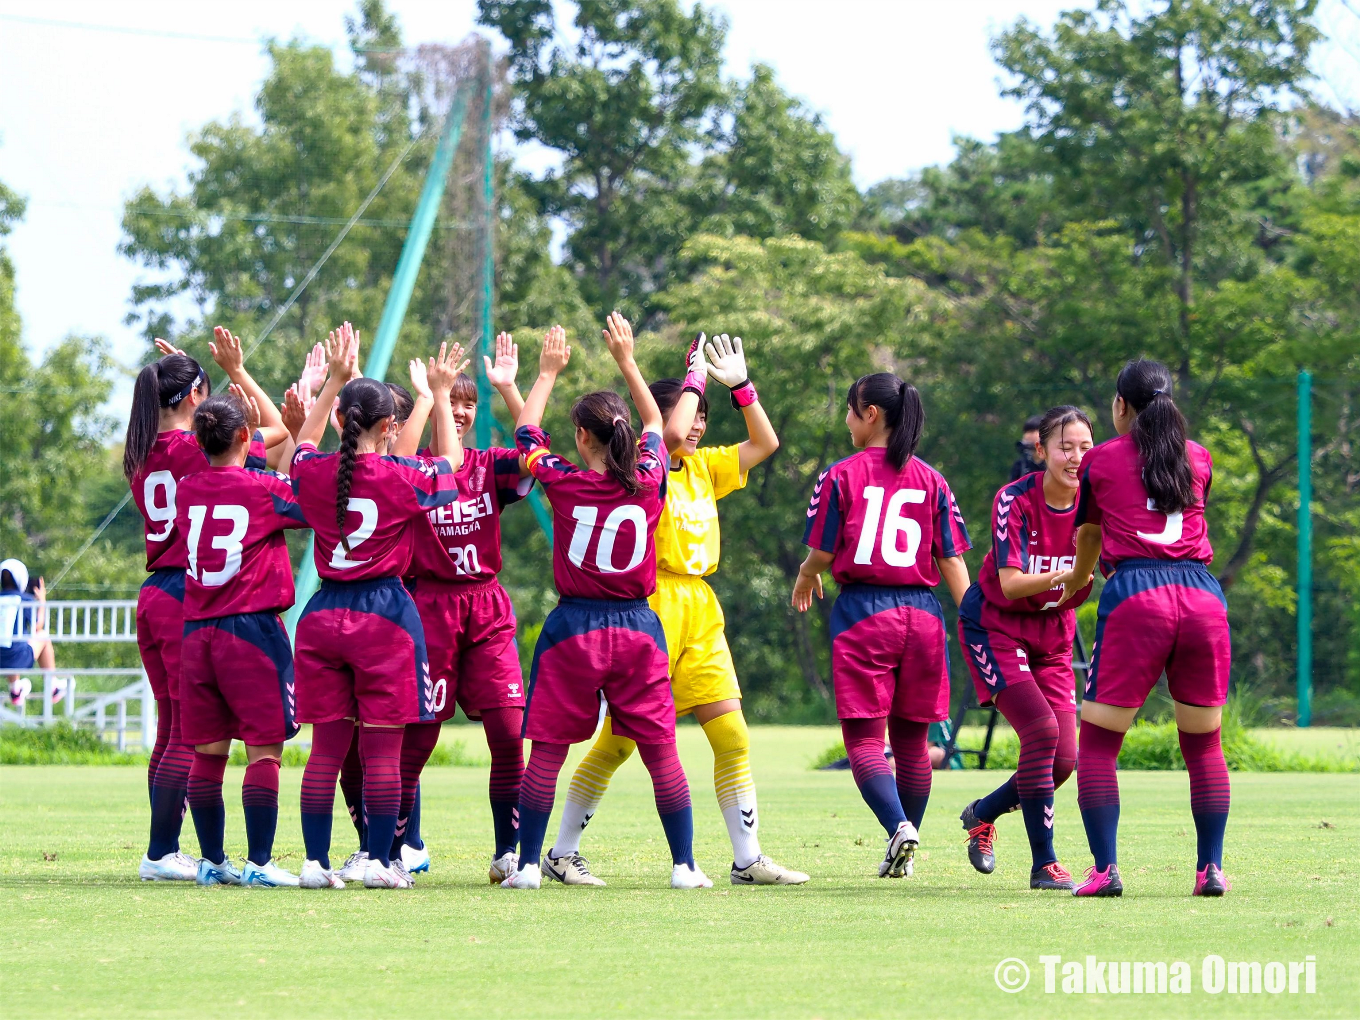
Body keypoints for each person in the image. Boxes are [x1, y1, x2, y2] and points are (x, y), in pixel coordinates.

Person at [546, 333, 807, 887]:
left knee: (732, 734)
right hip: (650, 608)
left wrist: (740, 388)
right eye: (688, 414)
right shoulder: (647, 468)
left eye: (701, 418)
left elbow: (766, 443)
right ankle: (562, 852)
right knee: (618, 741)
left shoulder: (709, 467)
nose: (694, 426)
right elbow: (663, 433)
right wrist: (682, 382)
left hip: (700, 608)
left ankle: (747, 858)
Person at [500, 315, 708, 891]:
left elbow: (526, 436)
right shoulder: (648, 475)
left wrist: (544, 375)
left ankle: (526, 867)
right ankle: (685, 866)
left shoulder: (564, 480)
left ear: (583, 438)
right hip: (640, 630)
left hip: (574, 628)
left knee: (548, 750)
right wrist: (627, 359)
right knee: (660, 749)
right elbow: (651, 420)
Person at [333, 333, 534, 885]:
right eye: (456, 401)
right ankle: (395, 851)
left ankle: (508, 851)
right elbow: (401, 453)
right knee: (416, 738)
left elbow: (537, 458)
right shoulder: (414, 470)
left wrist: (514, 388)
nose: (462, 410)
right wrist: (432, 396)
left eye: (469, 402)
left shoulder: (491, 465)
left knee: (508, 731)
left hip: (486, 606)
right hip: (430, 607)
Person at [289, 324, 466, 891]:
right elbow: (454, 469)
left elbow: (301, 450)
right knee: (383, 750)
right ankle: (377, 861)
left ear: (342, 419)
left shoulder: (314, 472)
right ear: (390, 426)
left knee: (326, 751)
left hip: (321, 619)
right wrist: (439, 396)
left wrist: (333, 382)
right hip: (385, 617)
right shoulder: (401, 476)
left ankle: (316, 865)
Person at [1054, 359, 1230, 898]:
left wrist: (1078, 585)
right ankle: (1211, 870)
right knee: (1204, 744)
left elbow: (1088, 536)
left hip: (1138, 596)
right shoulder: (1197, 456)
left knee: (1101, 743)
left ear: (1121, 407)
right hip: (1202, 594)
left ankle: (1105, 871)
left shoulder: (1102, 460)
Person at [793, 372, 971, 879]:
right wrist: (976, 620)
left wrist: (807, 574)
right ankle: (904, 846)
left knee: (866, 742)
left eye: (851, 410)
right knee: (913, 743)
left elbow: (824, 552)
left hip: (866, 614)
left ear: (871, 414)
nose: (847, 420)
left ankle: (899, 829)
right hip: (924, 614)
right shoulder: (932, 479)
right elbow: (952, 560)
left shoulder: (841, 474)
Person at [126, 328, 286, 882]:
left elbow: (203, 417)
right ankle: (161, 851)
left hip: (155, 593)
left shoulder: (143, 448)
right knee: (182, 736)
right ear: (195, 395)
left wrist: (194, 382)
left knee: (173, 725)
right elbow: (275, 426)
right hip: (186, 593)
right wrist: (233, 375)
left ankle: (164, 846)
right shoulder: (197, 449)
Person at [955, 405, 1095, 891]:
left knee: (1064, 760)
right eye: (1065, 447)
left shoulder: (1098, 504)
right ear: (1041, 451)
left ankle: (983, 813)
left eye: (1084, 447)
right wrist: (1071, 574)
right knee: (1039, 731)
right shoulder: (1014, 499)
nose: (1075, 457)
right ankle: (1045, 864)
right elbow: (1012, 584)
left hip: (1052, 635)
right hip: (995, 626)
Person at [176, 389, 309, 887]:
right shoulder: (263, 488)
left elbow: (231, 465)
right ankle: (259, 862)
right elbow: (308, 503)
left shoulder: (189, 486)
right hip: (250, 629)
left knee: (208, 752)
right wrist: (297, 432)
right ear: (245, 437)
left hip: (198, 632)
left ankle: (212, 861)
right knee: (264, 750)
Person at [1, 559, 48, 708]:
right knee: (43, 636)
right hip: (16, 659)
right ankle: (52, 685)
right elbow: (37, 626)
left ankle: (16, 689)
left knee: (8, 643)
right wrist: (42, 602)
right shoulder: (25, 599)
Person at [1010, 414, 1046, 481]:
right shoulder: (1021, 464)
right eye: (1026, 432)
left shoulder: (1052, 463)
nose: (1027, 436)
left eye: (1032, 431)